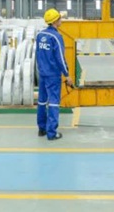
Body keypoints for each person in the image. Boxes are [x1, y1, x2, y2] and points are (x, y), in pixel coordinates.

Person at [35, 8, 74, 140]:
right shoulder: (56, 37)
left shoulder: (40, 35)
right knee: (53, 102)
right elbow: (60, 58)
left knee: (42, 101)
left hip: (42, 73)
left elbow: (38, 55)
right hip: (53, 75)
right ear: (55, 21)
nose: (61, 20)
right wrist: (67, 74)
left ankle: (42, 129)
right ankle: (51, 133)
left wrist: (41, 68)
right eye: (60, 18)